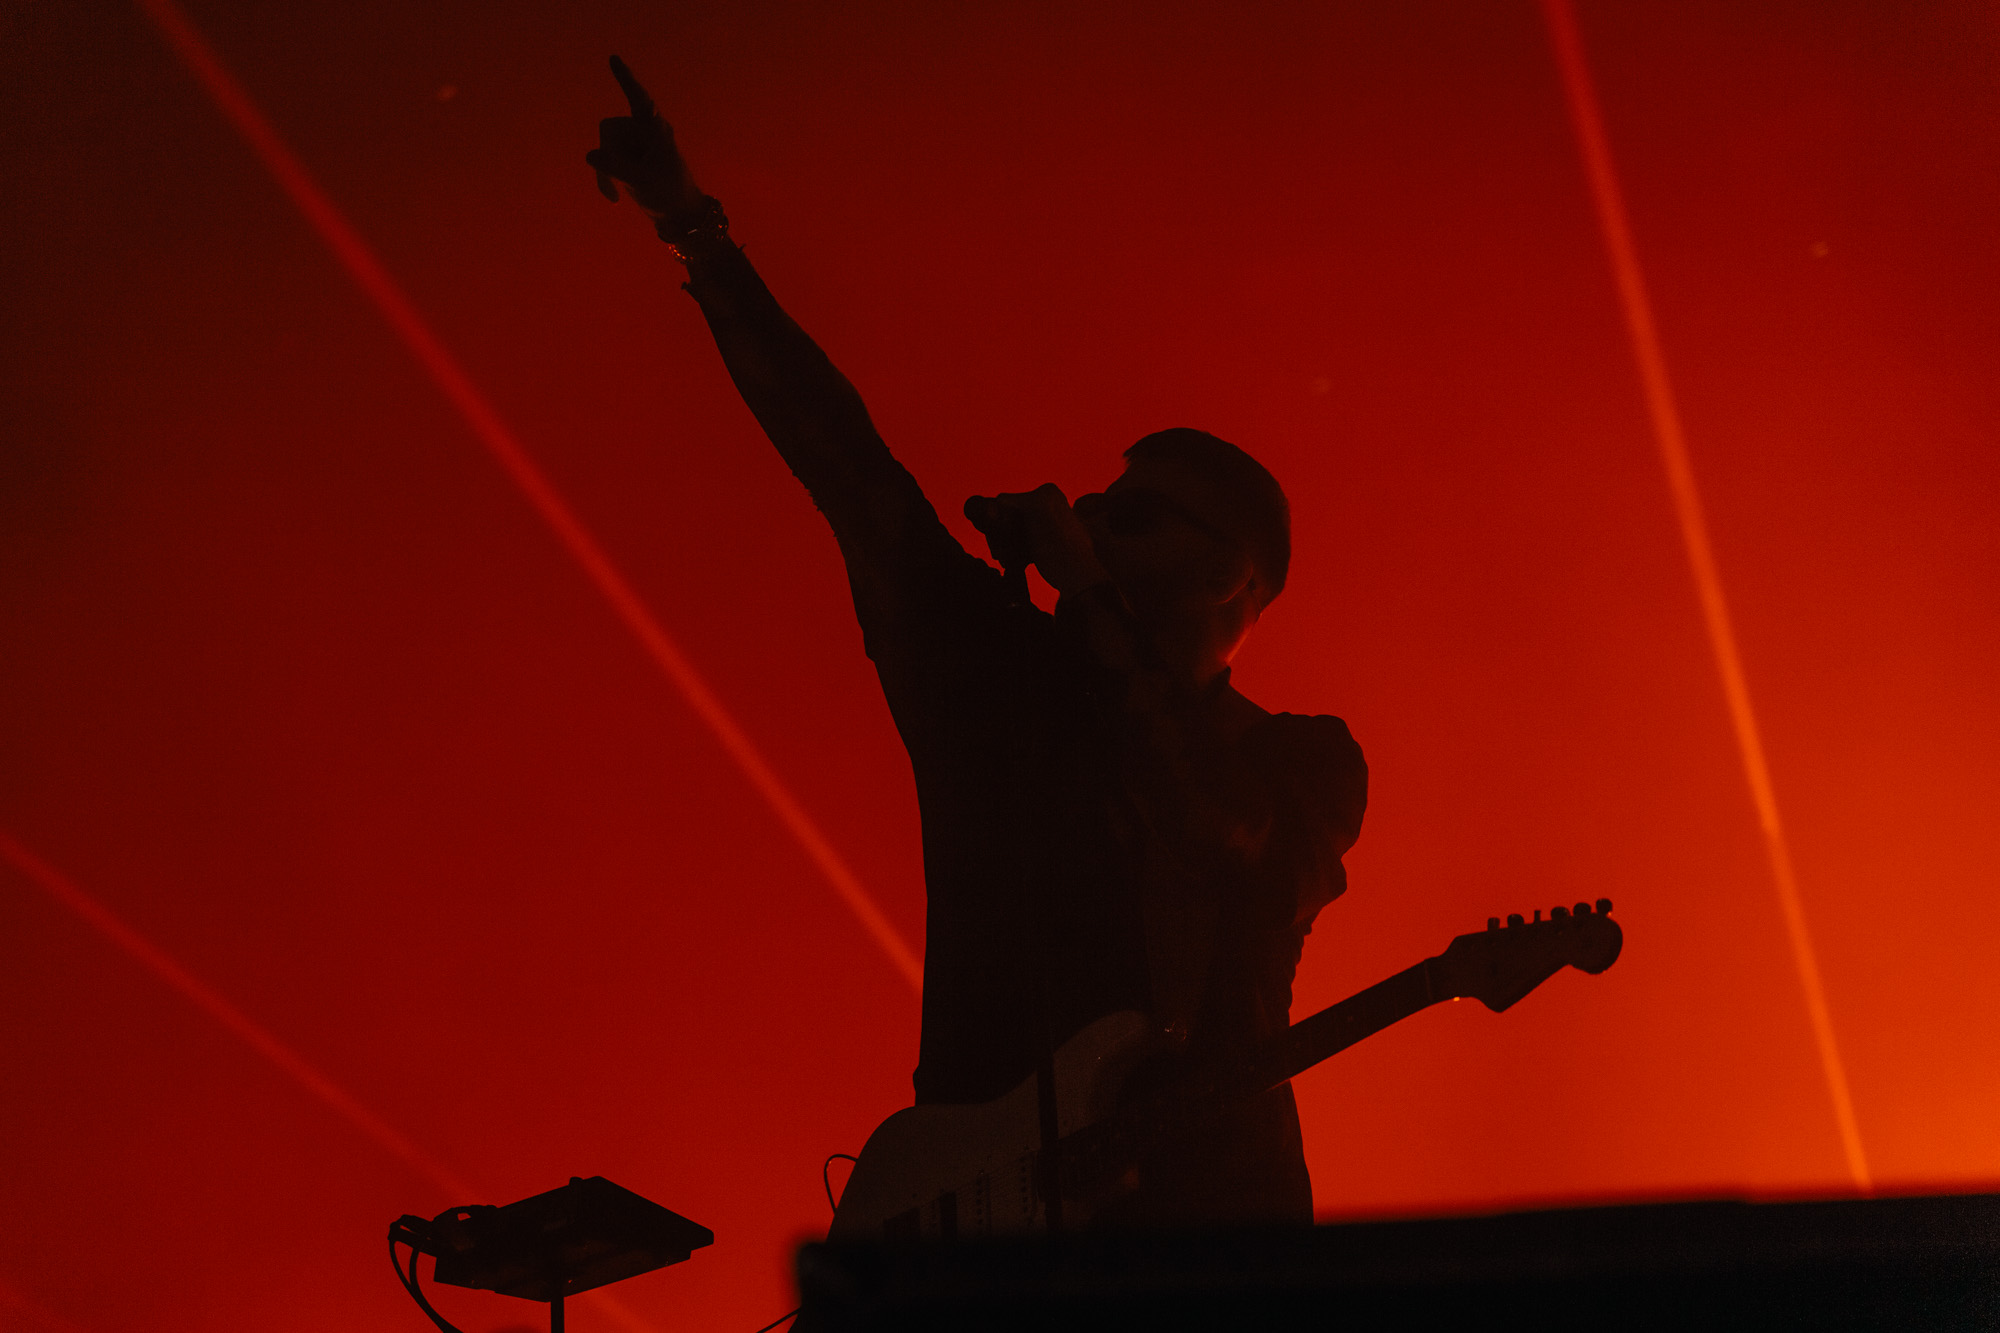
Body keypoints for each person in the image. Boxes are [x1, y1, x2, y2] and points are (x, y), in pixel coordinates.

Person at [586, 57, 1366, 1226]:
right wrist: (696, 230)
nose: (1092, 516)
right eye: (1097, 505)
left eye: (1132, 515)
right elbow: (845, 464)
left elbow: (1217, 834)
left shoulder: (1303, 762)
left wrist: (1085, 585)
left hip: (1208, 1228)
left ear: (1229, 576)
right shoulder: (1001, 678)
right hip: (977, 1200)